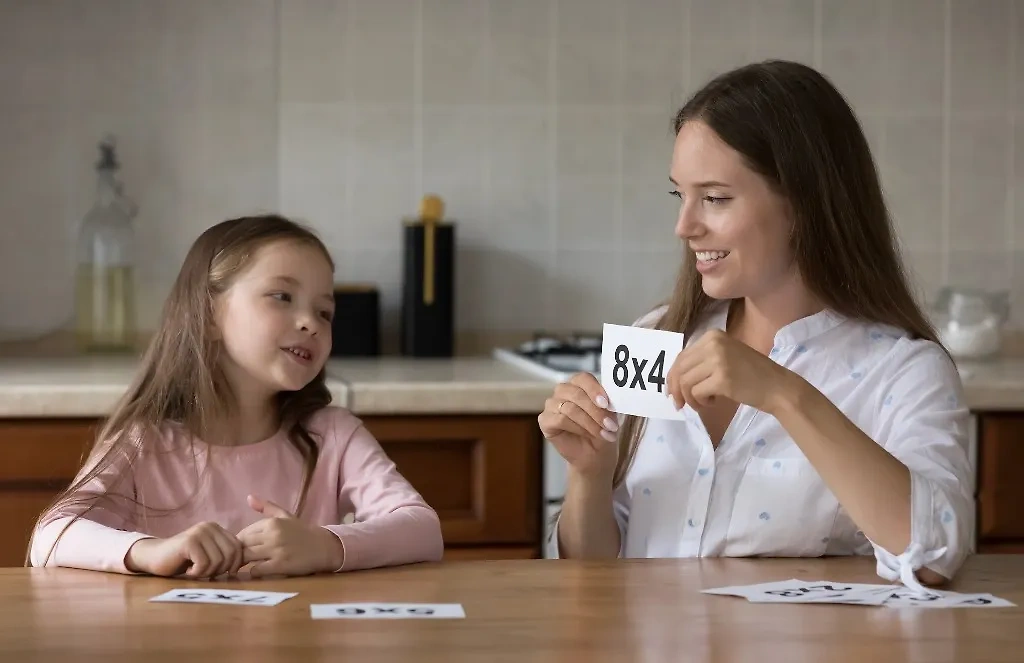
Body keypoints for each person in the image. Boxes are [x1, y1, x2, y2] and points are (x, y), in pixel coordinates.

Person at [539, 60, 972, 591]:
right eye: (681, 194)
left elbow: (933, 556)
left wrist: (782, 393)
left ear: (802, 203)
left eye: (715, 198)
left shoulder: (903, 371)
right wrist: (589, 474)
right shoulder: (657, 336)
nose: (685, 226)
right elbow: (594, 578)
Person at [29, 215, 444, 578]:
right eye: (282, 297)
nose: (310, 324)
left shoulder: (335, 436)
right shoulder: (144, 442)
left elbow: (423, 529)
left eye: (324, 312)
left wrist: (325, 546)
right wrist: (150, 552)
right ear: (208, 316)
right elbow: (50, 538)